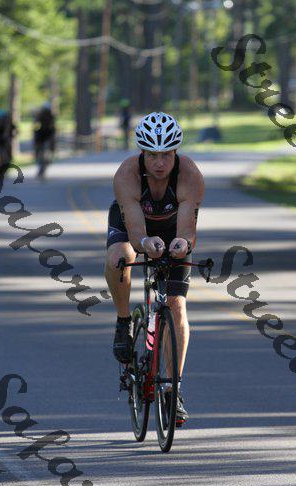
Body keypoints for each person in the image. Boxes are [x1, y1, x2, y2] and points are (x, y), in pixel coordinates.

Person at [105, 111, 205, 426]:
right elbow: (136, 233)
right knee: (120, 256)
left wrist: (182, 245)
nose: (159, 163)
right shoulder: (127, 174)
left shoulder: (190, 175)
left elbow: (187, 231)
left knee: (176, 305)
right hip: (135, 226)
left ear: (176, 152)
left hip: (173, 228)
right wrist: (146, 242)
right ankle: (124, 321)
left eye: (166, 155)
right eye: (152, 155)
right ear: (142, 153)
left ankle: (174, 390)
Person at [33, 103, 56, 179]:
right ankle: (42, 168)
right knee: (42, 154)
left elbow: (36, 125)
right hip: (43, 137)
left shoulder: (48, 116)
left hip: (44, 137)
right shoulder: (48, 116)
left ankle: (42, 168)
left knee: (44, 154)